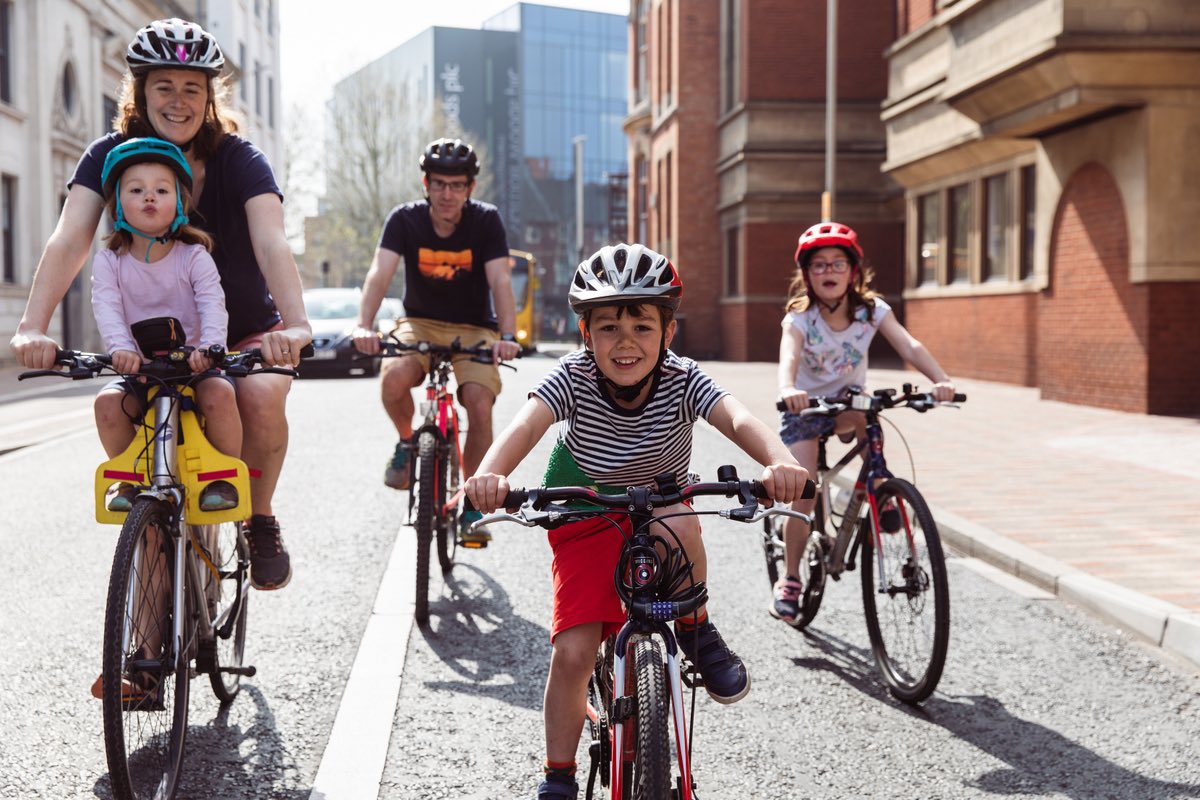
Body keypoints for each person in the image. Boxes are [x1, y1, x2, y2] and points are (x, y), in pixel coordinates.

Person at [465, 243, 810, 800]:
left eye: (643, 326)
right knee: (574, 651)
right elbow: (525, 428)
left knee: (683, 518)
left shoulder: (683, 377)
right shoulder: (572, 377)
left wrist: (780, 463)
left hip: (661, 500)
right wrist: (489, 476)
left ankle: (696, 630)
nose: (626, 342)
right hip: (584, 505)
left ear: (668, 334)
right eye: (608, 328)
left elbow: (739, 417)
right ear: (586, 335)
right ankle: (559, 774)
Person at [8, 18, 311, 590]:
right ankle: (148, 560)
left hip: (241, 331)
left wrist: (294, 325)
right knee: (139, 459)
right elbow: (71, 237)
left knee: (261, 395)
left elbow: (272, 241)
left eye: (192, 88)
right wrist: (32, 326)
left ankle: (260, 517)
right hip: (150, 345)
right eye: (163, 87)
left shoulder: (239, 159)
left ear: (210, 97)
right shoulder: (109, 155)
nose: (178, 101)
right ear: (139, 93)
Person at [771, 221, 956, 624]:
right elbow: (789, 355)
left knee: (873, 425)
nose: (829, 272)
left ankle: (880, 492)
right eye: (818, 265)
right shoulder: (800, 318)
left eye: (838, 263)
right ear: (807, 275)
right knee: (804, 485)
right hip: (805, 410)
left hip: (848, 405)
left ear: (853, 271)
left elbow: (908, 344)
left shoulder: (872, 310)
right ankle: (790, 578)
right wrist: (788, 387)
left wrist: (939, 380)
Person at [351, 137, 521, 546]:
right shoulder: (404, 220)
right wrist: (363, 325)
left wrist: (508, 336)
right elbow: (380, 272)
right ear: (425, 184)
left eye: (457, 185)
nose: (448, 193)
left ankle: (472, 506)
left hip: (474, 327)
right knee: (393, 380)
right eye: (439, 184)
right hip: (419, 323)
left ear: (470, 188)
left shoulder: (486, 221)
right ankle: (409, 442)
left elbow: (500, 279)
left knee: (479, 401)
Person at [91, 137, 241, 514]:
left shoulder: (193, 257)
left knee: (220, 396)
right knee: (108, 404)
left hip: (194, 366)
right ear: (117, 204)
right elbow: (106, 306)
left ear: (179, 202)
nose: (149, 197)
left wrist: (210, 348)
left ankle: (221, 477)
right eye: (136, 190)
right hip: (139, 368)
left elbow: (212, 303)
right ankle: (129, 477)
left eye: (161, 189)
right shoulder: (109, 261)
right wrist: (120, 349)